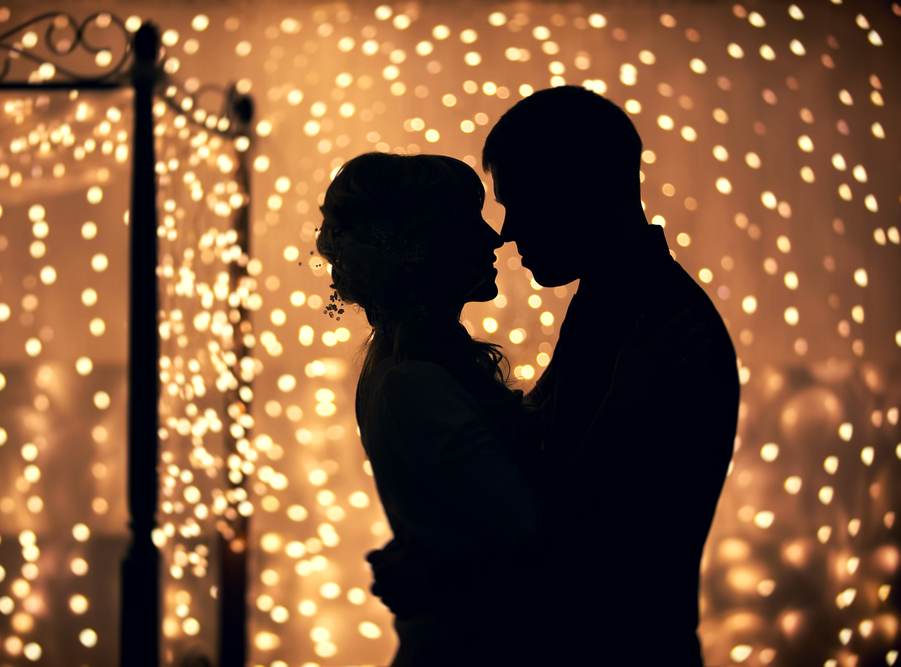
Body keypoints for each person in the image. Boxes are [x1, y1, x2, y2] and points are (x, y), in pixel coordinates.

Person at [317, 150, 714, 665]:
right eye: (470, 221)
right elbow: (533, 529)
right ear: (430, 248)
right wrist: (625, 401)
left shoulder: (422, 363)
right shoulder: (413, 383)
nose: (495, 237)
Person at [483, 86, 739, 662]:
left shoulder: (648, 321)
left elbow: (577, 526)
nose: (507, 231)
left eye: (520, 200)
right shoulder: (619, 301)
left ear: (582, 187)